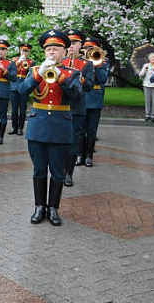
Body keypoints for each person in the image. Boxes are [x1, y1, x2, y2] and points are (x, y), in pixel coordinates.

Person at [19, 29, 83, 226]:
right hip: (38, 126)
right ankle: (39, 207)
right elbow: (21, 91)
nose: (51, 53)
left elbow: (78, 96)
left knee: (57, 171)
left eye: (56, 49)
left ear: (64, 52)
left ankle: (53, 208)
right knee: (39, 170)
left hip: (59, 128)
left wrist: (60, 78)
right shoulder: (35, 70)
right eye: (48, 50)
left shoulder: (72, 73)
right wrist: (37, 75)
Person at [62, 29, 94, 187]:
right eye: (69, 43)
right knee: (60, 140)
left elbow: (89, 86)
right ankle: (60, 170)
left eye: (75, 43)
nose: (71, 46)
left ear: (81, 45)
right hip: (60, 108)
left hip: (77, 108)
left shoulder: (87, 64)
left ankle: (69, 173)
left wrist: (80, 79)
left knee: (73, 141)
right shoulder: (60, 62)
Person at [83, 37, 110, 167]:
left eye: (91, 48)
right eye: (87, 48)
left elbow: (103, 79)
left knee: (92, 130)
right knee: (80, 130)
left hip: (95, 98)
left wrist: (98, 65)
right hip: (82, 98)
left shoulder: (104, 62)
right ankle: (79, 155)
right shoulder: (81, 61)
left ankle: (89, 156)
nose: (88, 50)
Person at [8, 43, 35, 135]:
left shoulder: (31, 62)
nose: (24, 53)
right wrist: (18, 62)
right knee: (14, 108)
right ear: (20, 50)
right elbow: (10, 70)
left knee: (23, 108)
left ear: (28, 52)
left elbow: (31, 75)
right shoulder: (14, 60)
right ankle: (14, 127)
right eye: (23, 50)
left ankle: (20, 128)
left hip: (24, 85)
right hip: (14, 85)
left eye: (26, 51)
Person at [139, 52, 154, 122]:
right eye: (151, 57)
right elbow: (141, 74)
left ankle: (153, 115)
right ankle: (147, 115)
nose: (153, 59)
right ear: (149, 59)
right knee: (147, 101)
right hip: (146, 85)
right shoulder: (146, 65)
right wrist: (145, 69)